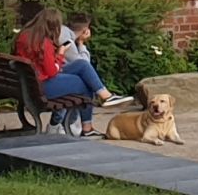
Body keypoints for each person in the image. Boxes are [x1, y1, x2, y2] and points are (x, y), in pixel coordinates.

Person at [14, 8, 121, 136]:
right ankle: (85, 125)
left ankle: (106, 96)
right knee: (85, 82)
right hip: (42, 87)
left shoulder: (24, 36)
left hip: (30, 82)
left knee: (82, 65)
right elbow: (52, 71)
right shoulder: (44, 43)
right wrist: (60, 54)